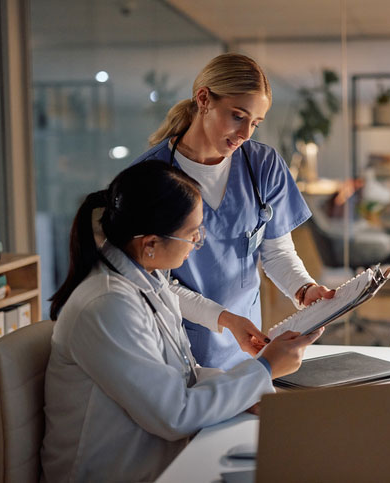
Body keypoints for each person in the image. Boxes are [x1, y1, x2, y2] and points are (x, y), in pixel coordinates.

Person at [41, 161, 322, 482]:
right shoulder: (108, 305)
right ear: (149, 244)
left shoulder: (149, 281)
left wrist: (247, 393)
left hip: (154, 458)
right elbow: (174, 414)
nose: (198, 242)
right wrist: (265, 369)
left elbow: (182, 377)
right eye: (192, 234)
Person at [134, 53, 334, 370]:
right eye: (238, 116)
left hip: (248, 346)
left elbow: (277, 252)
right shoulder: (150, 177)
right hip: (178, 351)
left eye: (255, 123)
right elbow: (157, 282)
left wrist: (304, 288)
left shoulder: (263, 165)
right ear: (203, 99)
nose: (245, 134)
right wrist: (225, 319)